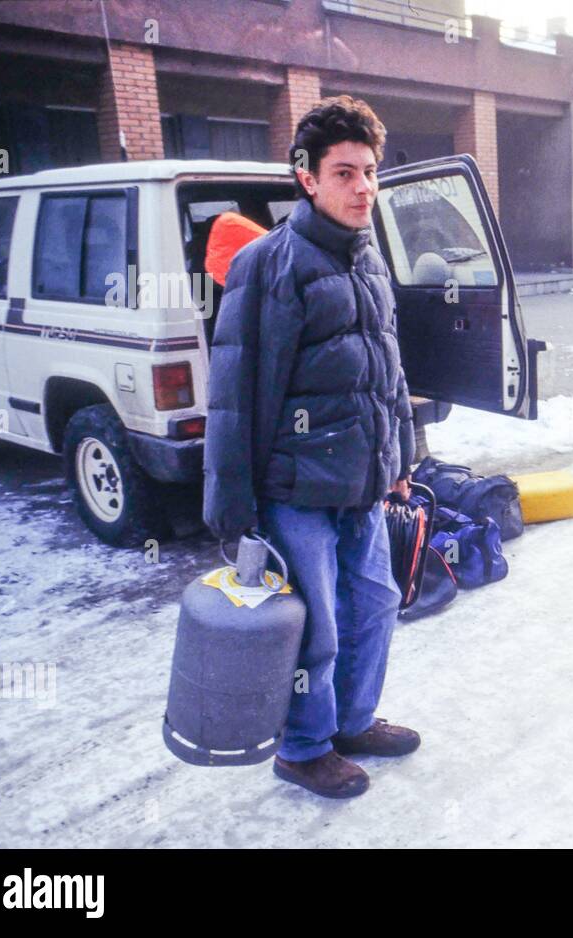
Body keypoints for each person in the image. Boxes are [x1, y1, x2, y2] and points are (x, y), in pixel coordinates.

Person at [204, 96, 420, 799]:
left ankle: (352, 723)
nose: (363, 188)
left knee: (376, 605)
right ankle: (302, 747)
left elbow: (389, 371)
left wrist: (401, 459)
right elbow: (235, 392)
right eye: (345, 173)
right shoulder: (267, 265)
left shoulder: (368, 260)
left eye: (369, 173)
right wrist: (231, 502)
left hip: (361, 483)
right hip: (296, 490)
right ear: (307, 178)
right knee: (317, 626)